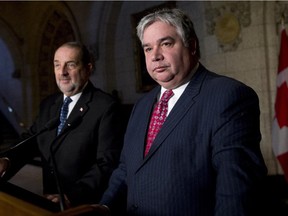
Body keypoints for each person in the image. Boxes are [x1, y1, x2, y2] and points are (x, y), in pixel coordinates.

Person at [98, 8, 267, 215]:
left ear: (192, 45)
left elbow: (236, 192)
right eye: (148, 49)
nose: (155, 56)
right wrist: (103, 207)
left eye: (166, 44)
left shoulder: (228, 96)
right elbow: (126, 168)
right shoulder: (141, 106)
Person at [0, 41, 124, 208]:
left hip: (85, 204)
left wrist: (72, 196)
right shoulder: (49, 104)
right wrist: (7, 159)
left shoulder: (106, 106)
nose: (62, 72)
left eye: (70, 65)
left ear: (88, 69)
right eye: (57, 65)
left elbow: (107, 163)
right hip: (51, 201)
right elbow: (32, 140)